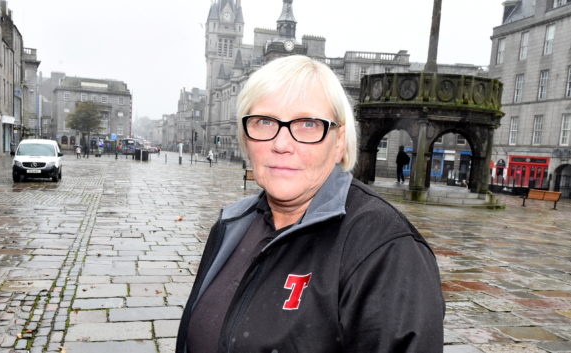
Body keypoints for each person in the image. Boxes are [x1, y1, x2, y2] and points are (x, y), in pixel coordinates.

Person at [177, 55, 444, 353]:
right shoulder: (230, 225)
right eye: (264, 121)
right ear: (245, 135)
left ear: (339, 140)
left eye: (307, 123)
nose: (281, 143)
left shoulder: (386, 249)